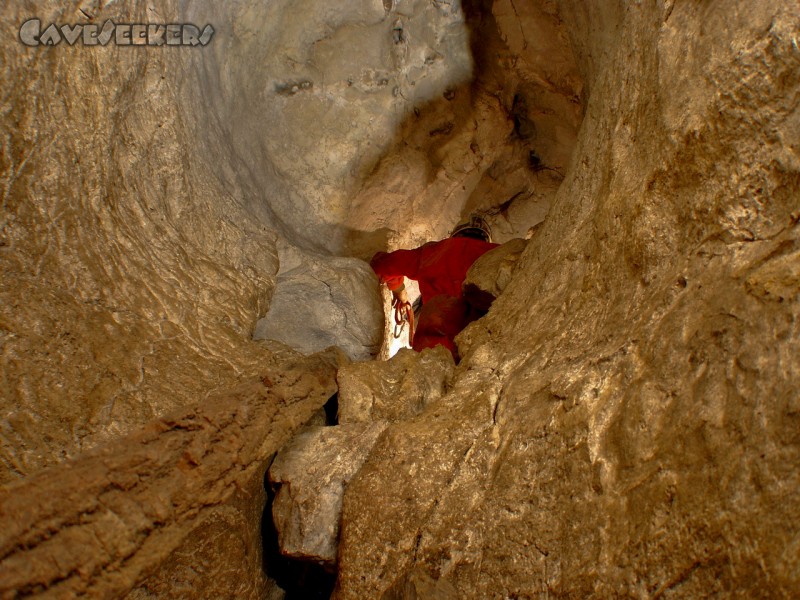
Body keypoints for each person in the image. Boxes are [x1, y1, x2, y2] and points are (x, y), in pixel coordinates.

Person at [370, 216, 498, 360]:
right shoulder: (499, 255)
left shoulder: (437, 251)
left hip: (434, 348)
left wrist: (399, 289)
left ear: (454, 236)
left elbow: (383, 265)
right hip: (481, 349)